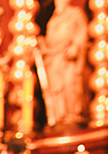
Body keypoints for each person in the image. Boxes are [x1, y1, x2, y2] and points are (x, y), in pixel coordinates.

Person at [39, 0, 88, 128]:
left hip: (68, 56)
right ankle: (59, 116)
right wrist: (43, 46)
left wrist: (76, 46)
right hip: (53, 59)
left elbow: (82, 34)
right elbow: (50, 39)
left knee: (70, 83)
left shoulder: (75, 14)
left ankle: (72, 114)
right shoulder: (53, 19)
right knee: (56, 88)